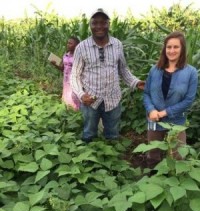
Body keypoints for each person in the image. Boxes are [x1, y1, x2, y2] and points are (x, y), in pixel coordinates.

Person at [71, 8, 145, 142]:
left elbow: (123, 70)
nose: (99, 26)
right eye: (95, 23)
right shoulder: (81, 47)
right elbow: (74, 75)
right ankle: (89, 159)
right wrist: (81, 95)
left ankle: (111, 159)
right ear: (90, 25)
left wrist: (136, 82)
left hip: (113, 99)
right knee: (89, 134)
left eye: (103, 22)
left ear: (108, 24)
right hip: (90, 100)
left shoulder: (117, 44)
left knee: (112, 135)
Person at [143, 31, 198, 169]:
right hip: (154, 119)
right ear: (164, 49)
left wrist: (164, 113)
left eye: (176, 47)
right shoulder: (154, 70)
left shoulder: (190, 72)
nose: (172, 50)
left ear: (182, 49)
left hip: (176, 122)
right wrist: (151, 110)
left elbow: (188, 100)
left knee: (178, 156)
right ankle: (153, 180)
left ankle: (175, 181)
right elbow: (146, 93)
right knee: (153, 155)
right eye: (169, 47)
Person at [51, 37, 80, 111]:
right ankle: (67, 115)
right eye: (67, 43)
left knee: (74, 101)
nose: (68, 45)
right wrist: (55, 64)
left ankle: (76, 116)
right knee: (67, 99)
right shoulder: (66, 55)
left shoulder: (79, 56)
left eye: (70, 43)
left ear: (76, 45)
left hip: (75, 82)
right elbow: (63, 69)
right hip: (66, 81)